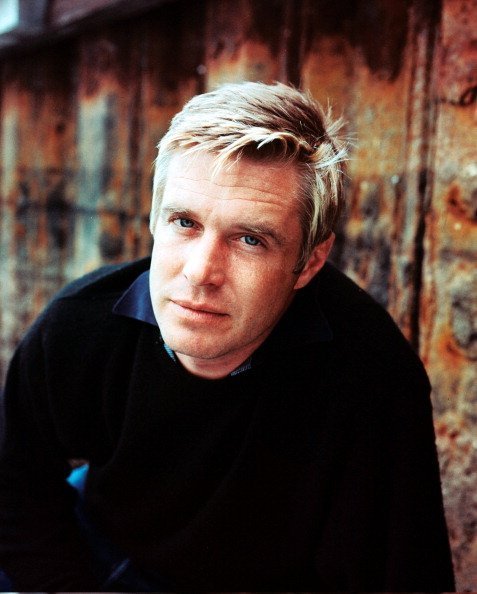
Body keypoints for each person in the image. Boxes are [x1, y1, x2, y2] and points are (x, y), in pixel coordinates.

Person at [0, 82, 454, 591]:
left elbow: (403, 573)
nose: (201, 272)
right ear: (153, 221)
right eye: (185, 222)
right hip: (108, 550)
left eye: (249, 239)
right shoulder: (81, 326)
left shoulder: (370, 378)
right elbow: (15, 488)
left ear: (310, 262)